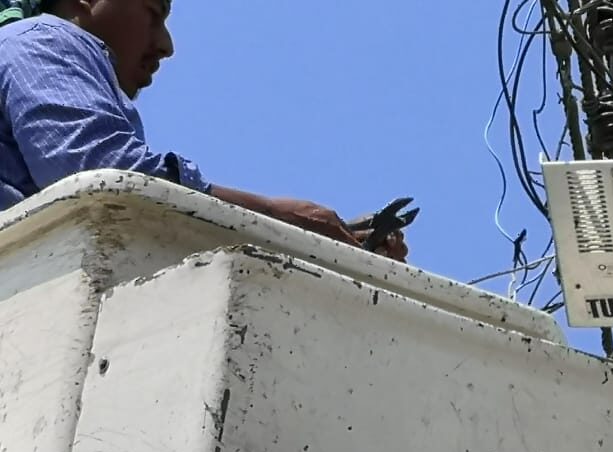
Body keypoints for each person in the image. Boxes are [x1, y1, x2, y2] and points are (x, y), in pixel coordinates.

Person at [0, 0, 408, 261]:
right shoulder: (43, 41)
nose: (166, 44)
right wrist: (280, 217)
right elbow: (106, 177)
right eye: (154, 13)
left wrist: (329, 249)